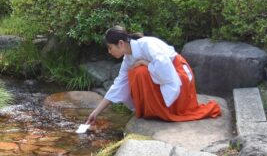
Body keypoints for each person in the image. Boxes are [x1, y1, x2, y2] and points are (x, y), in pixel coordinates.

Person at [86, 26, 221, 125]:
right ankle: (154, 110)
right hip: (167, 75)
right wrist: (96, 113)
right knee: (135, 72)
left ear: (120, 43)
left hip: (178, 74)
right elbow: (119, 84)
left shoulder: (147, 44)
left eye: (110, 47)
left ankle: (162, 110)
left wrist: (145, 63)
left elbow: (166, 71)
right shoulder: (128, 58)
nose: (109, 52)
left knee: (139, 72)